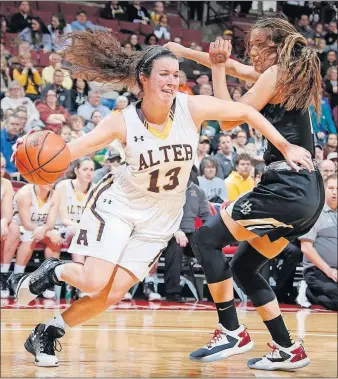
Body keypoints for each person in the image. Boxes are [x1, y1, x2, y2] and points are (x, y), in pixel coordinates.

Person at [14, 30, 312, 368]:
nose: (172, 81)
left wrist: (285, 145)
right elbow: (66, 153)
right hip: (120, 206)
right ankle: (52, 272)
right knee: (94, 280)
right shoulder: (121, 122)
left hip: (161, 216)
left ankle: (48, 332)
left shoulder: (191, 107)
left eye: (176, 75)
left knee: (110, 295)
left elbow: (245, 113)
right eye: (164, 75)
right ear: (144, 79)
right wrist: (31, 156)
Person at [165, 15, 323, 370]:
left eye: (256, 44)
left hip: (286, 187)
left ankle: (230, 329)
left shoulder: (277, 73)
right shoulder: (288, 74)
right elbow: (233, 66)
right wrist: (181, 52)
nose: (250, 50)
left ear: (274, 45)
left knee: (205, 239)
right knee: (246, 266)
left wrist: (217, 72)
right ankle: (287, 347)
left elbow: (228, 119)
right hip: (307, 193)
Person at [8, 183, 61, 299]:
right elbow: (26, 224)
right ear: (38, 178)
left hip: (41, 228)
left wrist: (46, 230)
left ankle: (48, 280)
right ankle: (16, 277)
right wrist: (45, 231)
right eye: (46, 179)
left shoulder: (55, 195)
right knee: (30, 237)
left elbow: (51, 223)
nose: (50, 182)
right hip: (19, 227)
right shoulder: (25, 193)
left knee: (55, 240)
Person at [163, 173, 211, 301]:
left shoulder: (198, 191)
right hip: (171, 232)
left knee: (211, 247)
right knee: (176, 246)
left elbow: (207, 216)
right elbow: (163, 216)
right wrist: (177, 230)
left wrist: (213, 234)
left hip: (191, 233)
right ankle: (172, 292)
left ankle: (215, 292)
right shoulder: (167, 189)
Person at [299, 174, 337, 311]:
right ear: (324, 190)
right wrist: (329, 271)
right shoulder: (314, 213)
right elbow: (306, 247)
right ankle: (308, 293)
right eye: (331, 188)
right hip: (318, 271)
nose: (334, 192)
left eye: (337, 188)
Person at [55, 157, 95, 267]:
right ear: (76, 170)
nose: (89, 173)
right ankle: (79, 269)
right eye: (85, 169)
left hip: (86, 231)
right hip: (62, 229)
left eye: (91, 170)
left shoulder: (95, 190)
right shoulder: (63, 186)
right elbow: (64, 219)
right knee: (78, 231)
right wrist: (84, 228)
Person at [0, 154, 20, 298]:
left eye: (2, 167)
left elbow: (7, 213)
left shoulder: (5, 184)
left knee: (12, 229)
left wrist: (3, 222)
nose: (1, 170)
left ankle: (3, 276)